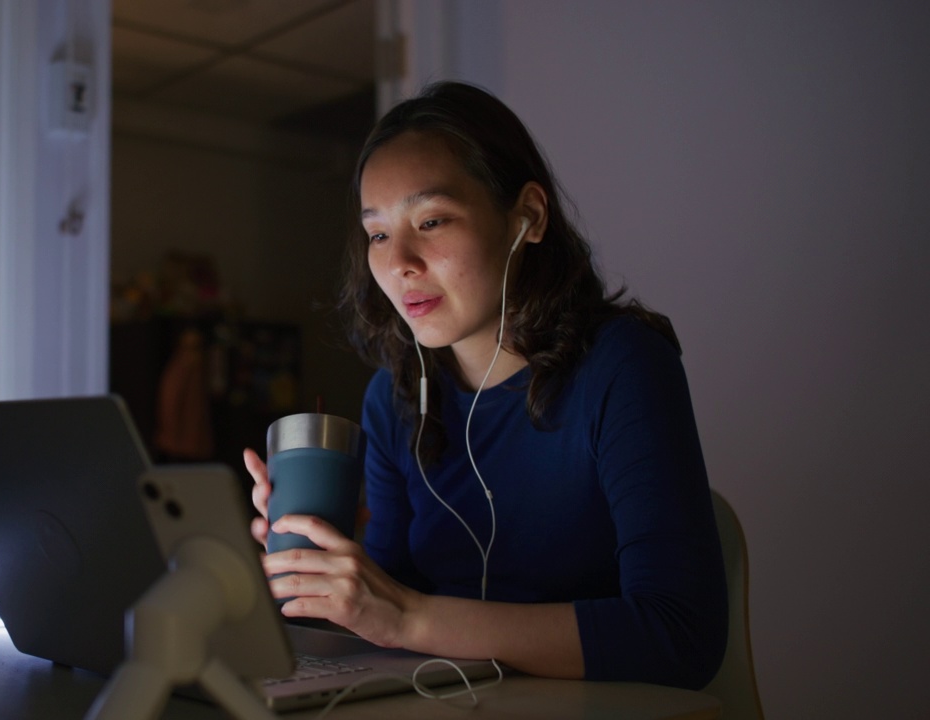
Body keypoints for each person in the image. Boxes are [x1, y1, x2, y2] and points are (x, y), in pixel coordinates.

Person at [244, 81, 727, 690]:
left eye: (433, 220)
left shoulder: (621, 367)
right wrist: (329, 568)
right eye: (378, 233)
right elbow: (388, 619)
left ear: (527, 217)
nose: (399, 264)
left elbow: (681, 636)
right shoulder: (393, 398)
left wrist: (410, 618)